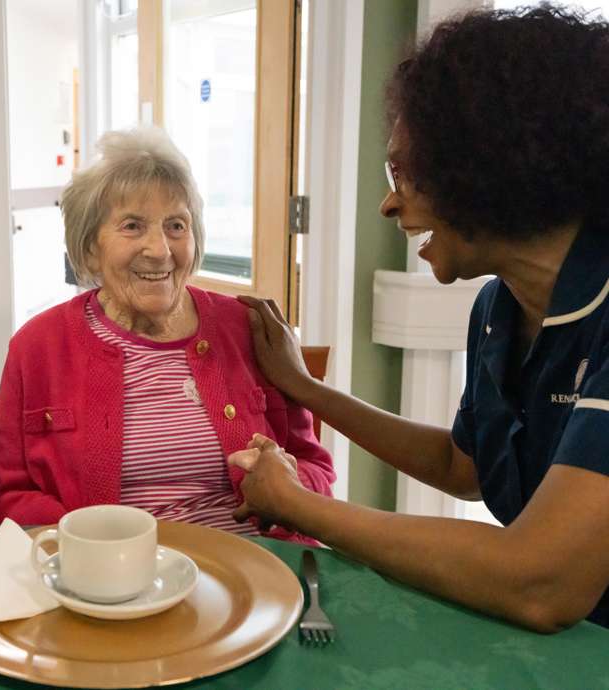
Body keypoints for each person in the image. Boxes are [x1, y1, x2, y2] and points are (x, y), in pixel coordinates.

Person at [228, 4, 609, 631]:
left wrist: (295, 503)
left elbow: (542, 582)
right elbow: (462, 468)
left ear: (491, 162)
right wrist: (304, 389)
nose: (386, 202)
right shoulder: (498, 310)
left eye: (402, 173)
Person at [0, 127, 333, 541]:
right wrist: (84, 544)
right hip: (110, 578)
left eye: (176, 226)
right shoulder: (37, 346)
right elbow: (7, 497)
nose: (160, 249)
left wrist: (291, 488)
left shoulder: (250, 327)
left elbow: (316, 469)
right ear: (90, 247)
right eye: (132, 226)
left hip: (255, 570)